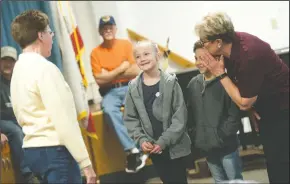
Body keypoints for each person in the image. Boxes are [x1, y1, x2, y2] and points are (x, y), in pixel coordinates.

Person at [194, 12, 289, 183]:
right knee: (275, 163)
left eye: (204, 41)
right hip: (267, 108)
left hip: (283, 108)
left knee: (281, 164)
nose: (203, 46)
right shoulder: (230, 49)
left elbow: (244, 103)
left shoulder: (248, 55)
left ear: (218, 42)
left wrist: (219, 74)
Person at [10, 10, 96, 183]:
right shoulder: (45, 69)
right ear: (41, 35)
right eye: (50, 32)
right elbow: (64, 120)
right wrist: (86, 164)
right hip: (55, 150)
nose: (52, 37)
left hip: (32, 151)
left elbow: (20, 115)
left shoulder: (18, 69)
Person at [123, 41, 191, 184]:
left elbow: (180, 117)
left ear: (157, 56)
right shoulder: (133, 87)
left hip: (174, 146)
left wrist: (164, 141)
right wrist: (141, 140)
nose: (142, 59)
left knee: (179, 180)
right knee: (166, 180)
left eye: (146, 54)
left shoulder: (171, 83)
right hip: (153, 149)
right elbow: (131, 119)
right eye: (138, 56)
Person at [90, 15, 146, 173]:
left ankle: (143, 149)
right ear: (100, 31)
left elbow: (135, 70)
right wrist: (122, 68)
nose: (107, 30)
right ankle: (132, 150)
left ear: (115, 29)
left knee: (137, 107)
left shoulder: (126, 45)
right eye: (104, 28)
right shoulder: (95, 53)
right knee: (108, 109)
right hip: (111, 92)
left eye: (110, 27)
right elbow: (100, 80)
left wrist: (108, 74)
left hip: (130, 86)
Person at [187, 41, 243, 183]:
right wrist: (198, 136)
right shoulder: (193, 85)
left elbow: (234, 116)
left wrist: (221, 136)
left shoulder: (226, 83)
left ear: (216, 58)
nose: (198, 62)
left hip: (227, 146)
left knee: (235, 180)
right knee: (219, 181)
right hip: (207, 147)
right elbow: (190, 116)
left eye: (203, 58)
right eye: (196, 58)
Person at [0, 46, 39, 183]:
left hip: (19, 119)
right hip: (3, 121)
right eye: (4, 60)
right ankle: (28, 176)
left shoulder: (22, 81)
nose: (7, 64)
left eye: (11, 61)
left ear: (16, 63)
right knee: (16, 132)